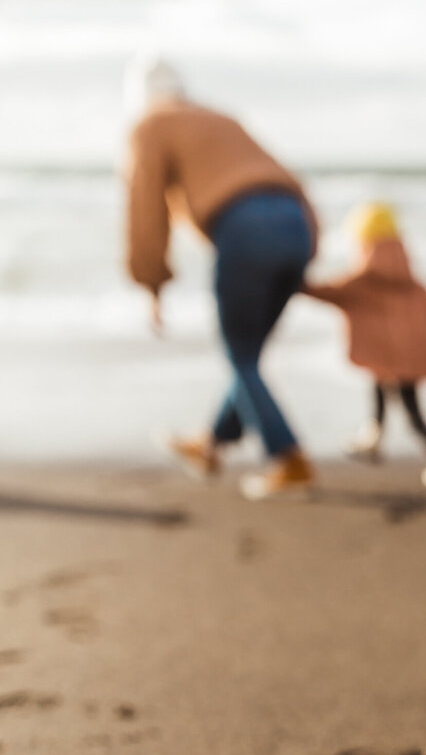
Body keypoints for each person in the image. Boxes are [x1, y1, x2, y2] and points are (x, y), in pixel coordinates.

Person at [123, 54, 318, 500]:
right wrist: (306, 256)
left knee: (239, 354)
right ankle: (210, 444)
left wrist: (151, 284)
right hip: (296, 226)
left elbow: (144, 210)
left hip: (245, 228)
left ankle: (288, 458)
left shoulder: (150, 125)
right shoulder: (221, 118)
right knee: (248, 354)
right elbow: (291, 181)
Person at [303, 202, 426, 489]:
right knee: (380, 388)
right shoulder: (412, 283)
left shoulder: (361, 282)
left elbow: (325, 292)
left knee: (413, 413)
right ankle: (373, 439)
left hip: (392, 358)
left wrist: (291, 280)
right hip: (408, 356)